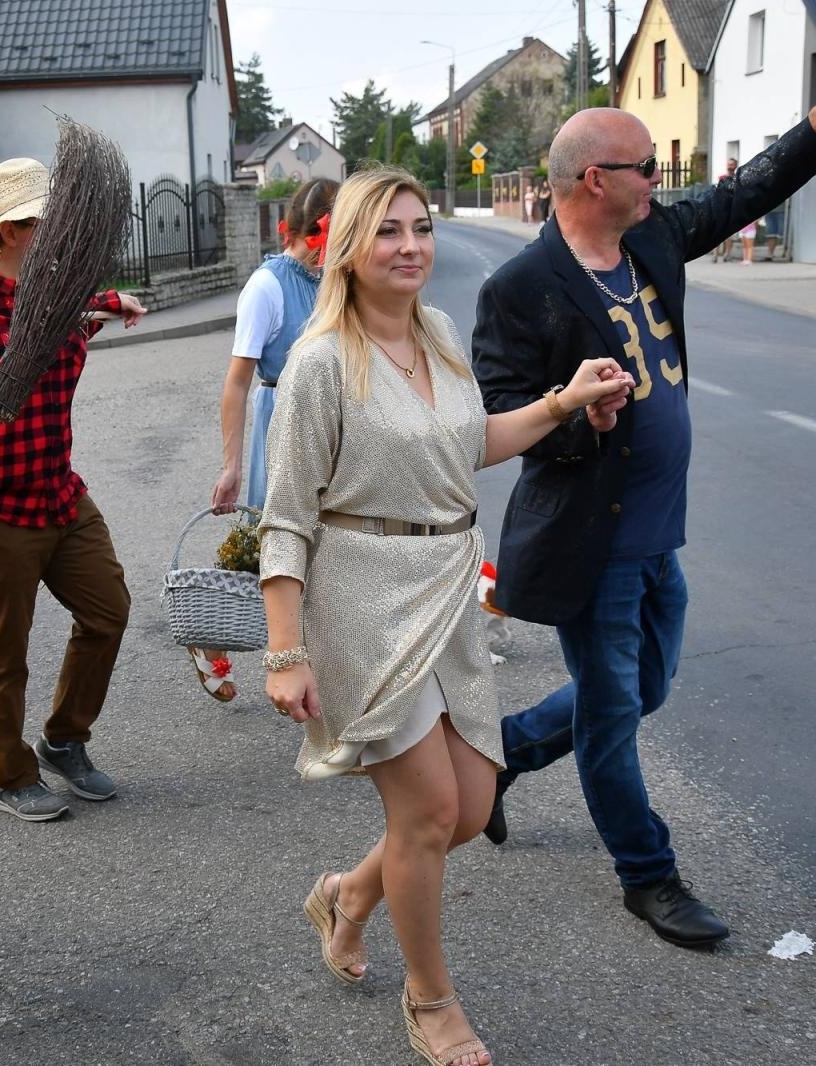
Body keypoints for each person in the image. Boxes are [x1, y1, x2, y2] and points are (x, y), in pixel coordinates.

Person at [472, 32, 816, 949]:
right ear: (591, 180)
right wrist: (584, 418)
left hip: (660, 531)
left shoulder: (649, 234)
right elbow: (499, 417)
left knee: (644, 689)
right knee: (615, 716)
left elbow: (742, 195)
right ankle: (647, 876)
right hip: (593, 541)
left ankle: (504, 752)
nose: (661, 176)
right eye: (644, 165)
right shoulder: (521, 288)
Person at [259, 165, 632, 1066]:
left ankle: (348, 896)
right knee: (428, 811)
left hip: (446, 586)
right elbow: (286, 517)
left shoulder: (436, 332)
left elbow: (471, 447)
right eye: (388, 230)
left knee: (465, 811)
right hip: (361, 598)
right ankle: (431, 1001)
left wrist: (563, 402)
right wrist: (283, 652)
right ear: (346, 246)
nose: (411, 246)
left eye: (420, 227)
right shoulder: (320, 363)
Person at [0, 158, 145, 824]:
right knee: (4, 650)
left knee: (108, 610)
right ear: (13, 231)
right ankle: (11, 775)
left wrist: (108, 303)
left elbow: (70, 326)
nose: (66, 234)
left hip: (60, 494)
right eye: (52, 222)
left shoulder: (58, 297)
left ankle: (64, 742)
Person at [198, 176, 338, 702]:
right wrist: (231, 465)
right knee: (272, 541)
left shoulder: (333, 276)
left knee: (327, 546)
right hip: (283, 414)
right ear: (318, 231)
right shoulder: (266, 286)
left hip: (333, 417)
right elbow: (237, 382)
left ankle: (330, 676)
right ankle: (211, 631)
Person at [711, 158, 737, 261]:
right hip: (721, 208)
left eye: (732, 165)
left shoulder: (737, 178)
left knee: (729, 234)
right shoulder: (722, 178)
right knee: (716, 232)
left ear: (735, 166)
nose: (730, 167)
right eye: (728, 164)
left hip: (732, 208)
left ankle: (727, 254)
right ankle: (715, 254)